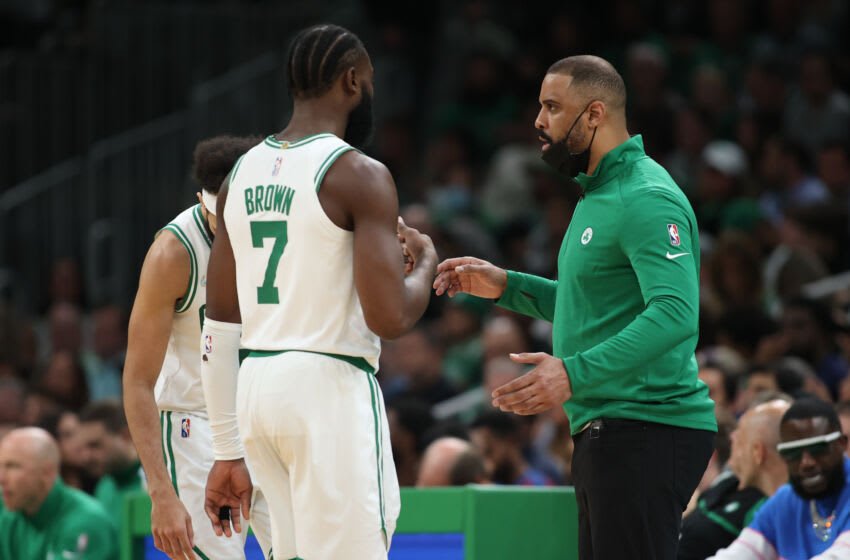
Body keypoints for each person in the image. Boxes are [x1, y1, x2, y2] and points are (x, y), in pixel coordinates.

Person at [433, 54, 717, 560]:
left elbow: (676, 312)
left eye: (552, 107)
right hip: (611, 430)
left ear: (594, 114)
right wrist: (506, 286)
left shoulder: (646, 197)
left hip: (646, 428)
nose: (539, 122)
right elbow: (593, 306)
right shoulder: (599, 195)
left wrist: (573, 373)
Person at [200, 24, 437, 560]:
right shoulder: (359, 173)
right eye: (370, 82)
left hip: (255, 390)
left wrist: (224, 449)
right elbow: (391, 316)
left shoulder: (240, 174)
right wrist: (424, 264)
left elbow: (218, 328)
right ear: (353, 82)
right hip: (327, 385)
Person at [122, 135, 271, 560]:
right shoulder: (173, 253)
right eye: (216, 214)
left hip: (264, 421)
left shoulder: (278, 232)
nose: (226, 225)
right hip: (196, 426)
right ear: (201, 201)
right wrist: (160, 493)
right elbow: (137, 380)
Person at [708, 398, 850, 559]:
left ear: (841, 444)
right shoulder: (786, 500)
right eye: (794, 453)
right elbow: (736, 555)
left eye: (818, 449)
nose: (806, 463)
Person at [678, 399, 790, 560]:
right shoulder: (729, 486)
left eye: (740, 436)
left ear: (758, 452)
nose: (732, 440)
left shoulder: (768, 510)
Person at [0, 427, 117, 559]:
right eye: (0, 466)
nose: (2, 478)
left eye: (13, 466)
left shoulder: (86, 521)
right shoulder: (9, 514)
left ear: (47, 472)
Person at [76, 399, 144, 519]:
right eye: (84, 448)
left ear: (126, 435)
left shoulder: (154, 483)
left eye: (95, 445)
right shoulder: (104, 486)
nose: (86, 457)